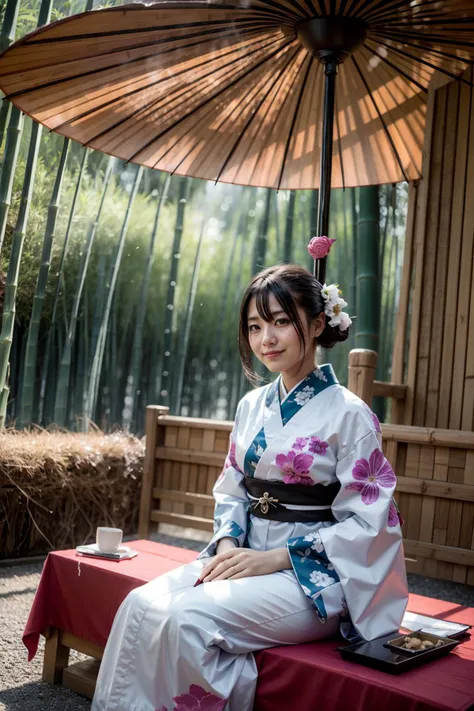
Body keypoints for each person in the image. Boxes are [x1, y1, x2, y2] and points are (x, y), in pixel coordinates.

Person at [92, 259, 408, 711]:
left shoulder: (351, 414)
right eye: (256, 326)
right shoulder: (251, 404)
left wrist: (277, 558)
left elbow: (370, 522)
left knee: (187, 619)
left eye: (281, 323)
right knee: (139, 605)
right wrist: (226, 545)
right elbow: (232, 486)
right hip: (242, 557)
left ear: (318, 324)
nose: (266, 339)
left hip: (313, 578)